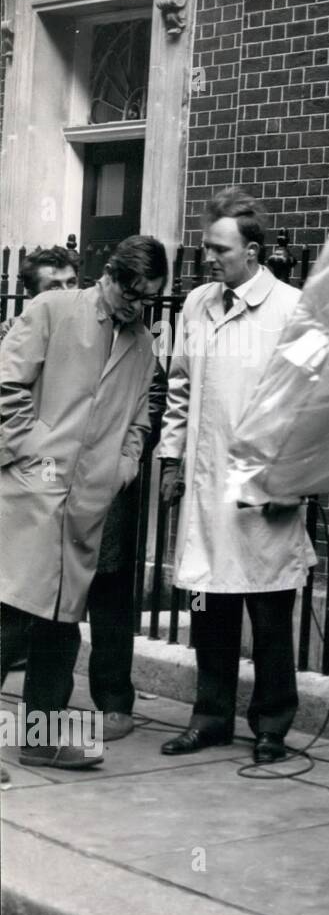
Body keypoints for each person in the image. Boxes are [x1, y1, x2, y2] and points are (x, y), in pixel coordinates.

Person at [155, 188, 314, 765]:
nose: (207, 258)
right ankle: (211, 718)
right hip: (204, 484)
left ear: (253, 252)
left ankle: (272, 725)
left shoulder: (293, 309)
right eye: (204, 248)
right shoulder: (197, 303)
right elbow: (179, 388)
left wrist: (292, 478)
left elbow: (312, 402)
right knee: (209, 610)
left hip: (263, 490)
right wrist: (171, 460)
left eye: (218, 249)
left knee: (269, 614)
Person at [0, 235, 168, 769]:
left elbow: (141, 417)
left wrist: (125, 464)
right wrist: (29, 452)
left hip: (88, 503)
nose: (137, 307)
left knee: (61, 627)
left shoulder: (141, 344)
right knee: (9, 619)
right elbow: (7, 384)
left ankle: (42, 738)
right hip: (33, 494)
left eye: (148, 300)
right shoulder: (53, 307)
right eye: (132, 294)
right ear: (113, 276)